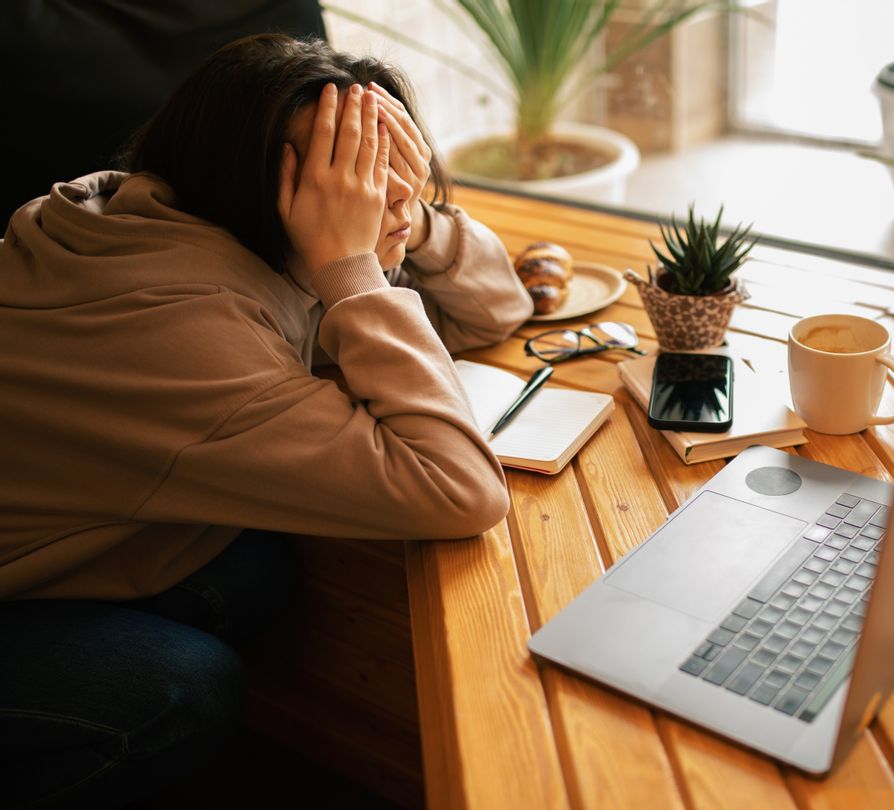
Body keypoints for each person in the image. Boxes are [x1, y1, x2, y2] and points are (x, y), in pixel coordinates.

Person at [0, 33, 533, 808]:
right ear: (256, 180)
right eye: (343, 176)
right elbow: (458, 491)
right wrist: (354, 269)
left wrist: (406, 222)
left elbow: (498, 308)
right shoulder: (188, 336)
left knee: (251, 570)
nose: (373, 198)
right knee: (186, 689)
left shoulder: (152, 206)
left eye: (386, 172)